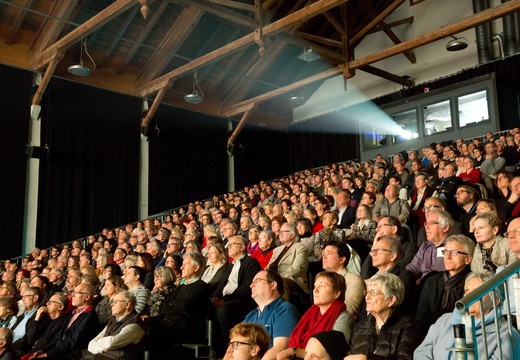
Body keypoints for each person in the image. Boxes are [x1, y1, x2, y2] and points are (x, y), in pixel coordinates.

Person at [414, 272, 520, 360]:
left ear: (495, 301)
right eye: (467, 291)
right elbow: (421, 352)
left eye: (476, 292)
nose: (468, 296)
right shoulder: (444, 320)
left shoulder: (507, 334)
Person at [144, 252, 209, 358]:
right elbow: (166, 306)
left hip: (188, 329)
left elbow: (186, 306)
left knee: (154, 335)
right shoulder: (181, 287)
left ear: (196, 268)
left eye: (186, 264)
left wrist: (173, 303)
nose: (181, 267)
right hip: (173, 324)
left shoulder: (202, 287)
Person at [345, 273, 421, 359]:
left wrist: (368, 359)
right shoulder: (360, 326)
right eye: (367, 292)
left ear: (391, 300)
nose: (367, 297)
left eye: (373, 293)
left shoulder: (408, 326)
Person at [276, 271, 348, 360]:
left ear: (336, 293)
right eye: (315, 286)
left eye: (322, 286)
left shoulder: (343, 317)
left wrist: (293, 351)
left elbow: (333, 353)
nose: (315, 290)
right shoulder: (311, 313)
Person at [415, 235, 474, 337]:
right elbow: (420, 318)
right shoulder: (432, 281)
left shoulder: (473, 282)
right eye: (445, 252)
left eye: (454, 252)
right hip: (432, 335)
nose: (447, 256)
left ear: (468, 259)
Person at [28, 283, 100, 359]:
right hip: (60, 351)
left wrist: (48, 354)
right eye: (73, 292)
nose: (73, 295)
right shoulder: (73, 312)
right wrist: (42, 350)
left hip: (72, 355)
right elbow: (58, 337)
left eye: (76, 293)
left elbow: (74, 342)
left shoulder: (90, 316)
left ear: (87, 297)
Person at [243, 270, 300, 360]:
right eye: (252, 282)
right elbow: (234, 346)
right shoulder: (251, 315)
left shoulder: (285, 310)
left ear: (273, 285)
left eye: (257, 281)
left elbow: (280, 349)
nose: (251, 285)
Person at [87, 290, 146, 360]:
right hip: (101, 356)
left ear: (127, 304)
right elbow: (91, 344)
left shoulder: (135, 324)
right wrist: (101, 349)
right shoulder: (113, 320)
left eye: (116, 302)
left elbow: (112, 342)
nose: (112, 304)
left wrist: (99, 341)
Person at [321, 241, 365, 320]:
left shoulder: (354, 279)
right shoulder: (321, 280)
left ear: (342, 259)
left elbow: (348, 310)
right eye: (323, 254)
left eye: (329, 253)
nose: (324, 257)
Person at [406, 210, 454, 282]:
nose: (426, 227)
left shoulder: (454, 247)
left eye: (431, 223)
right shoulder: (424, 246)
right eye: (426, 223)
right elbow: (413, 268)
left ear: (445, 227)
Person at [266, 223, 309, 299]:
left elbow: (297, 269)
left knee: (280, 283)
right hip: (273, 278)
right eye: (280, 231)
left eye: (284, 231)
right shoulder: (277, 250)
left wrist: (277, 278)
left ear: (292, 235)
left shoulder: (300, 248)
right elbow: (269, 266)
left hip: (292, 280)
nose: (280, 233)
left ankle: (282, 310)